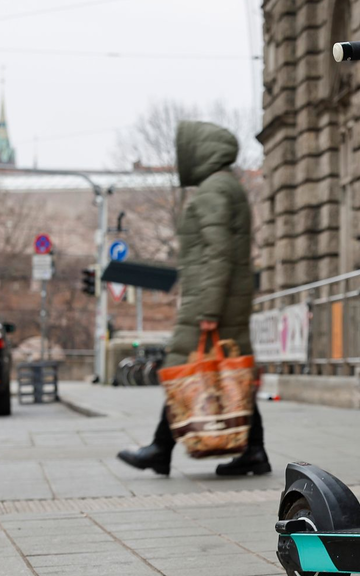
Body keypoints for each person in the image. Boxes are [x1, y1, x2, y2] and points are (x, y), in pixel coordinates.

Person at [117, 122, 269, 477]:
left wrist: (208, 309)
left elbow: (218, 254)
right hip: (223, 299)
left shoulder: (215, 190)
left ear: (201, 152)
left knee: (187, 370)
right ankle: (253, 452)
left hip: (213, 301)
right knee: (227, 372)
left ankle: (160, 448)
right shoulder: (224, 186)